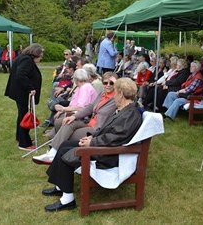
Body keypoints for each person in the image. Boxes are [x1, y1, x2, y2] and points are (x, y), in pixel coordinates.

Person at [41, 77, 142, 212]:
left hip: (109, 155)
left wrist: (92, 142)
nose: (113, 96)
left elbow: (117, 137)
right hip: (103, 146)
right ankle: (61, 186)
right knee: (65, 145)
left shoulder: (130, 114)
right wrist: (91, 138)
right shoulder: (124, 110)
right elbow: (107, 132)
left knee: (67, 153)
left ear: (121, 94)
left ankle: (68, 199)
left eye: (116, 92)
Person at [33, 72, 118, 165]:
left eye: (111, 83)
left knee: (68, 134)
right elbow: (89, 107)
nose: (108, 85)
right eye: (105, 83)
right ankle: (53, 153)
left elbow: (128, 93)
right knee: (68, 122)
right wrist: (74, 116)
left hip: (97, 129)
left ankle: (55, 154)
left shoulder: (117, 97)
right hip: (89, 122)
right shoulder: (102, 94)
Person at [5, 43, 44, 151]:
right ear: (35, 53)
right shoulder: (26, 60)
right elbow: (21, 74)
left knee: (22, 114)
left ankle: (20, 136)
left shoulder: (24, 58)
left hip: (20, 92)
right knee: (24, 116)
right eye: (40, 55)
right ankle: (24, 143)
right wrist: (30, 88)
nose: (41, 57)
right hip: (23, 93)